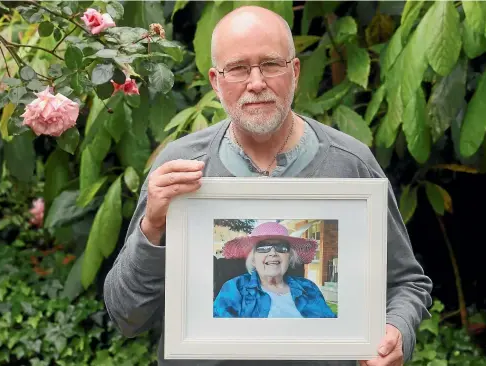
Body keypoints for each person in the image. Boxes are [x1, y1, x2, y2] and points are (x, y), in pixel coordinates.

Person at [103, 5, 433, 366]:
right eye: (239, 68)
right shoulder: (178, 169)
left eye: (271, 64)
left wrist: (396, 329)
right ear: (215, 81)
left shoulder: (351, 164)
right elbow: (127, 316)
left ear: (294, 72)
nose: (256, 82)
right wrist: (152, 227)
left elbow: (406, 283)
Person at [213, 221, 337, 318]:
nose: (273, 252)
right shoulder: (235, 288)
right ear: (253, 259)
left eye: (281, 247)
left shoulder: (308, 288)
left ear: (290, 257)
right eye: (263, 248)